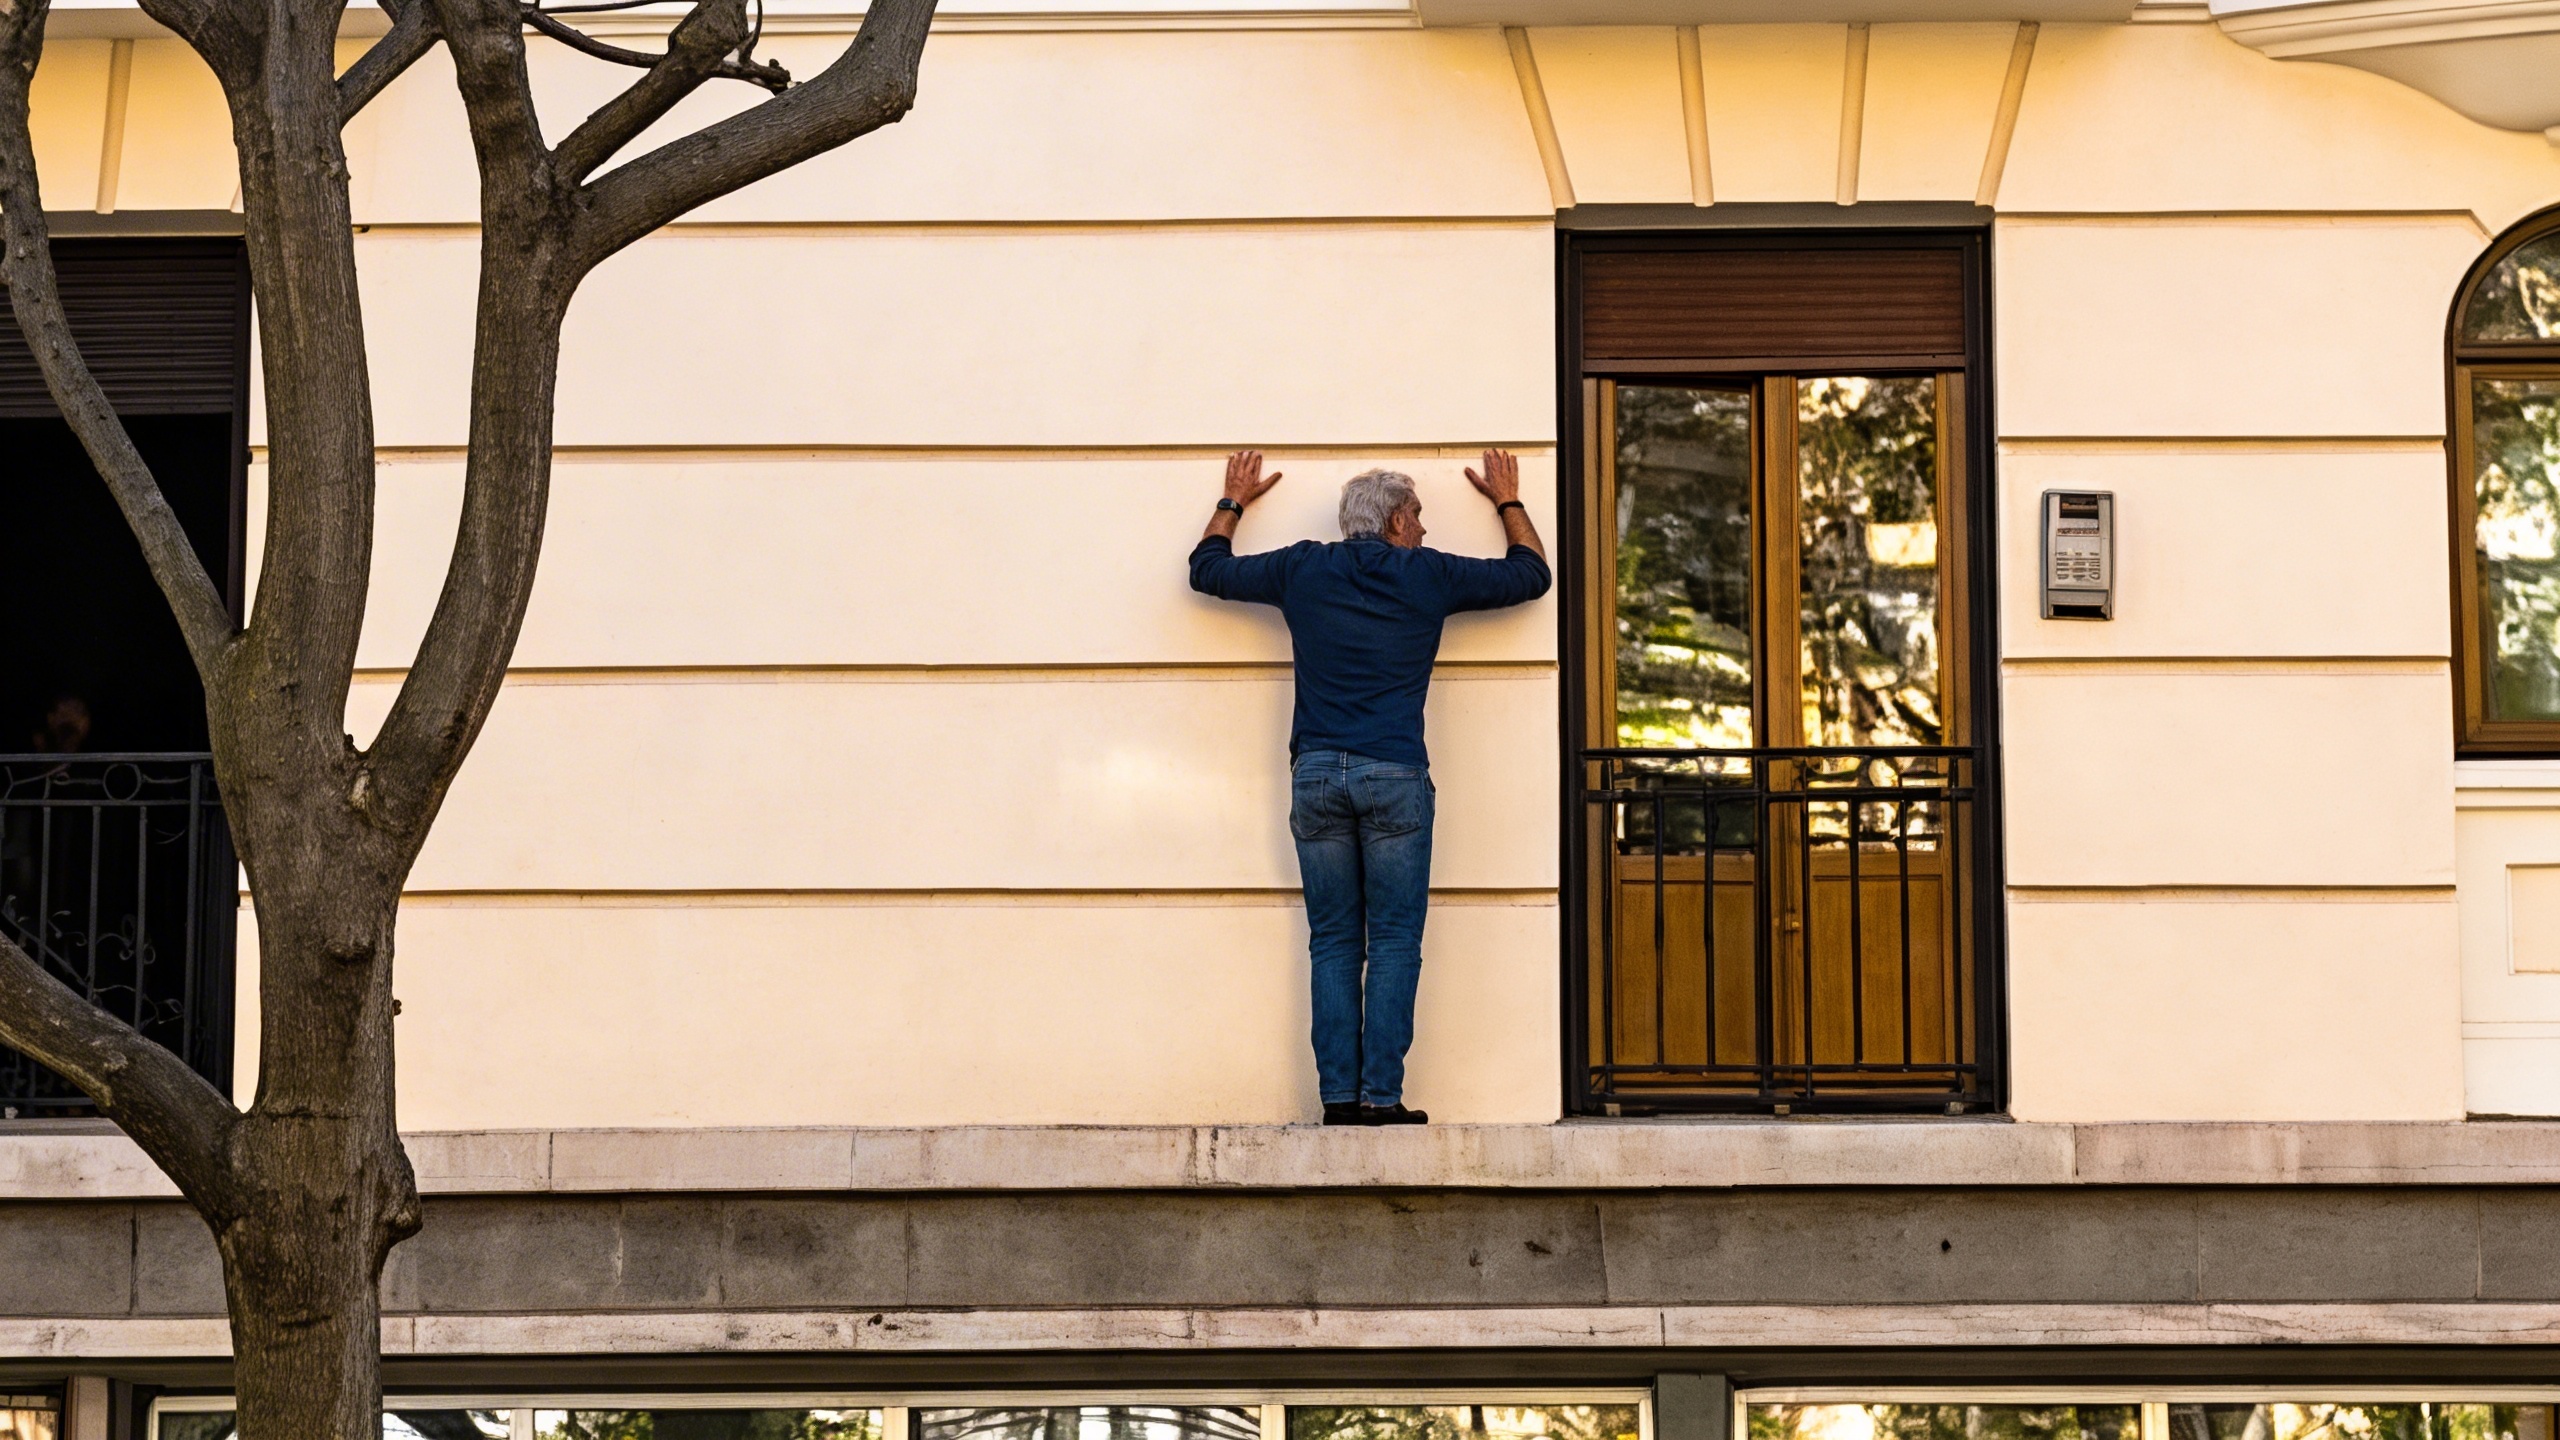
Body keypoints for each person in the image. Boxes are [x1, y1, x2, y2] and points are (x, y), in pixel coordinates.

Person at [1189, 450, 1550, 1125]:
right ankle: (1380, 1098)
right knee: (1390, 941)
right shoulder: (1428, 575)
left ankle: (1337, 1101)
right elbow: (1531, 576)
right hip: (1394, 776)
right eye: (1415, 515)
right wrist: (1508, 502)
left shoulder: (1302, 567)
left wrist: (1232, 502)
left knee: (1331, 941)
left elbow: (1206, 569)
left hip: (1318, 776)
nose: (1422, 528)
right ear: (1390, 521)